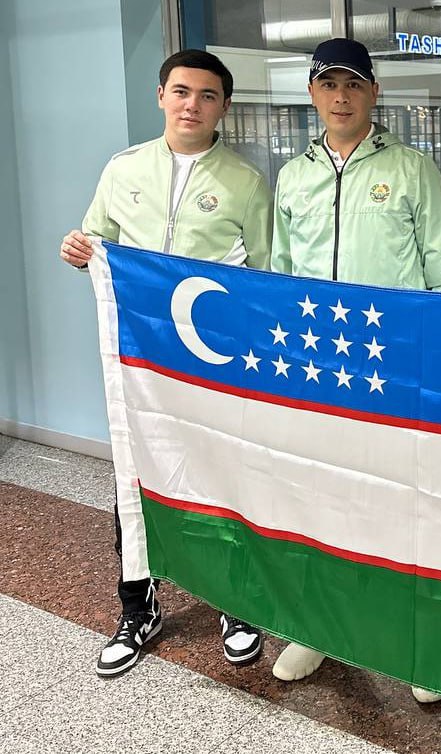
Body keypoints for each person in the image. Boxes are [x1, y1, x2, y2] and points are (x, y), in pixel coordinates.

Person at [59, 49, 272, 678]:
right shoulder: (123, 169)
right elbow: (96, 240)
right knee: (137, 479)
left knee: (220, 476)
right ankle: (138, 608)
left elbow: (266, 275)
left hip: (214, 363)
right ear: (161, 96)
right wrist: (79, 250)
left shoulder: (245, 182)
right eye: (181, 91)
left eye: (207, 96)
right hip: (141, 359)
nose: (192, 105)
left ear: (223, 107)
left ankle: (234, 603)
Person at [270, 37, 441, 703]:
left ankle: (418, 647)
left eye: (353, 84)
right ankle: (320, 627)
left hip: (395, 368)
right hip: (320, 372)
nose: (341, 96)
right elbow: (280, 276)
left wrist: (438, 365)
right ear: (312, 94)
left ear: (374, 92)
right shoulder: (292, 177)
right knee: (322, 501)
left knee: (406, 503)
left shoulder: (412, 168)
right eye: (329, 84)